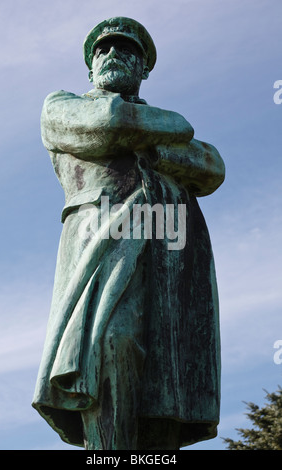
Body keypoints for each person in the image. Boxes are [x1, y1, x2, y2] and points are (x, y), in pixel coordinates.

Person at [32, 17, 225, 450]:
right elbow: (109, 121)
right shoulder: (61, 105)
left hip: (174, 249)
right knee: (110, 344)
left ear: (144, 69)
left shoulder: (152, 127)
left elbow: (211, 166)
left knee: (168, 372)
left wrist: (148, 145)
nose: (113, 55)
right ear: (90, 68)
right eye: (103, 50)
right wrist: (169, 131)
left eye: (127, 50)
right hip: (105, 236)